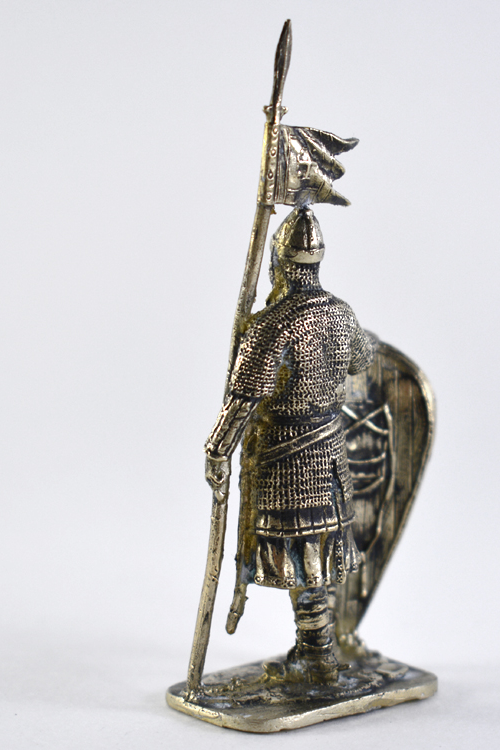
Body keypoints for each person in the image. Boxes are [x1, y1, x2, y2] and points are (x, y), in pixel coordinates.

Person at [204, 206, 375, 682]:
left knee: (305, 555)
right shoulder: (341, 313)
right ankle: (316, 650)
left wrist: (218, 448)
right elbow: (361, 361)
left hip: (288, 457)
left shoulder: (272, 324)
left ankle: (317, 655)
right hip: (330, 454)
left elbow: (243, 398)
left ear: (279, 263)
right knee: (315, 554)